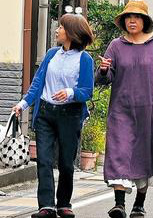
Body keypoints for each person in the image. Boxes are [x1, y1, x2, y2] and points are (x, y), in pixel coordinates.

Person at [96, 0, 153, 218]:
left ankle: (139, 204)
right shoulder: (115, 45)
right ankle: (119, 204)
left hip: (149, 111)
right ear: (123, 21)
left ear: (145, 21)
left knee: (144, 155)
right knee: (118, 153)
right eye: (128, 17)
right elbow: (104, 80)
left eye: (137, 17)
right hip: (120, 110)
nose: (132, 20)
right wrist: (103, 70)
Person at [12, 14, 94, 218]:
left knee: (66, 162)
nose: (57, 31)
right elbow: (37, 84)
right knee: (44, 161)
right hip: (46, 114)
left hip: (70, 114)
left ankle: (64, 204)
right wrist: (23, 104)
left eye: (61, 28)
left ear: (72, 32)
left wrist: (70, 92)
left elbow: (87, 91)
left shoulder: (84, 59)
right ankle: (46, 206)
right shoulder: (51, 54)